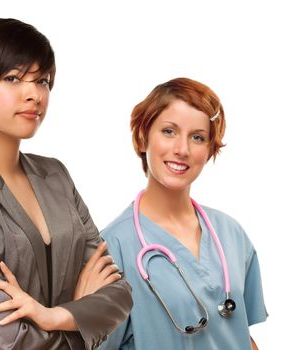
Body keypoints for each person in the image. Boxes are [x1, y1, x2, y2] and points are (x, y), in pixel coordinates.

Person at [0, 18, 133, 349]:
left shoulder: (56, 176)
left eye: (42, 81)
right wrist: (82, 320)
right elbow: (4, 340)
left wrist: (53, 316)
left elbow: (120, 295)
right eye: (13, 79)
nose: (33, 94)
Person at [98, 78, 267, 349]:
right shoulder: (113, 247)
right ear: (143, 138)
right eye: (169, 131)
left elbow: (240, 334)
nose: (182, 150)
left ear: (210, 149)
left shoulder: (231, 233)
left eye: (197, 137)